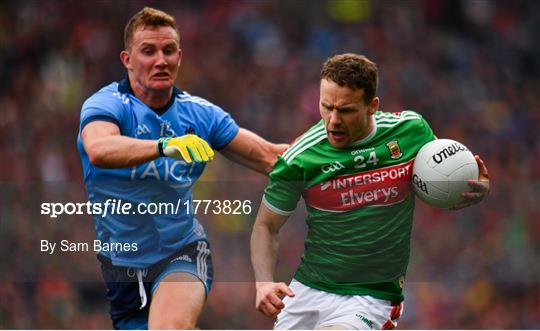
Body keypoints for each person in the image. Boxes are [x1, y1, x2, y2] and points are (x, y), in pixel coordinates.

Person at [77, 7, 286, 330]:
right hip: (123, 272)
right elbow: (99, 149)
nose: (161, 59)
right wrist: (164, 147)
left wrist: (348, 152)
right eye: (148, 51)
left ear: (179, 56)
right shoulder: (106, 105)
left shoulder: (202, 116)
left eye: (169, 50)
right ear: (127, 60)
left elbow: (272, 159)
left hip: (181, 253)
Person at [250, 53, 490, 330]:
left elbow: (444, 175)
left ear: (372, 106)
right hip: (307, 290)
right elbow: (266, 226)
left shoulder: (411, 131)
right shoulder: (300, 157)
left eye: (346, 110)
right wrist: (263, 282)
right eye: (326, 107)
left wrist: (476, 187)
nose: (334, 120)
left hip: (371, 297)